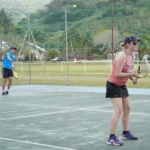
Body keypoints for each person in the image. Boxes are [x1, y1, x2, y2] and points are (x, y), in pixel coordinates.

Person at [106, 36, 142, 146]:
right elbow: (117, 73)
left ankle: (125, 133)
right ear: (127, 44)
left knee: (127, 109)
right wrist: (132, 74)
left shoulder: (133, 55)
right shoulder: (122, 56)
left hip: (122, 85)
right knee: (118, 110)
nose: (136, 44)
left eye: (137, 43)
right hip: (113, 84)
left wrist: (133, 79)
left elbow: (127, 71)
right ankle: (111, 137)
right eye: (134, 42)